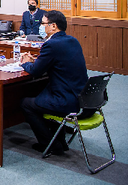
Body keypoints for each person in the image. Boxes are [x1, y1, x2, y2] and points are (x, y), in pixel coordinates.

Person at [20, 10, 89, 156]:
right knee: (44, 96)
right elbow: (59, 62)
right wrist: (37, 61)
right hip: (84, 99)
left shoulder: (51, 45)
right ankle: (60, 141)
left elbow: (36, 72)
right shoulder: (73, 41)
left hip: (68, 101)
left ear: (53, 26)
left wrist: (25, 63)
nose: (41, 27)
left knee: (26, 104)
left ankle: (50, 144)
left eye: (43, 24)